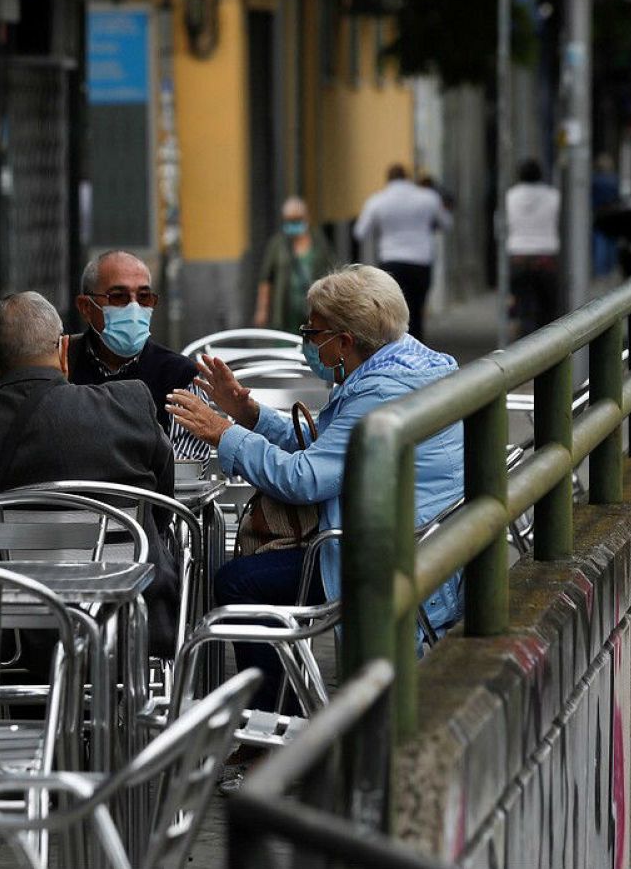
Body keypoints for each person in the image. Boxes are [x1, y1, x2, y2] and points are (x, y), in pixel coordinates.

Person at [165, 265, 464, 716]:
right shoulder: (409, 362)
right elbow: (330, 450)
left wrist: (222, 432)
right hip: (413, 541)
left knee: (238, 584)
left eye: (312, 330)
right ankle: (279, 711)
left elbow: (304, 479)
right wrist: (248, 413)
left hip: (388, 555)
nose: (306, 341)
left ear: (343, 341)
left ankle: (271, 726)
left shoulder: (379, 391)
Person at [0, 290, 180, 652]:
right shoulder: (129, 405)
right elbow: (162, 505)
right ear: (64, 351)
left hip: (9, 637)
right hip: (127, 625)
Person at [69, 249, 208, 459]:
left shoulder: (181, 376)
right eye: (118, 296)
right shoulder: (61, 364)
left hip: (149, 492)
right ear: (86, 307)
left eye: (143, 297)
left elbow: (184, 471)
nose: (134, 307)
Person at [353, 164, 453, 339]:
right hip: (421, 260)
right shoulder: (428, 198)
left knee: (393, 311)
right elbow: (446, 223)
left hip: (391, 260)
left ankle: (396, 345)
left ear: (388, 179)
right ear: (407, 178)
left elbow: (360, 232)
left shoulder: (377, 200)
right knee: (417, 308)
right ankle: (417, 344)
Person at [254, 196, 338, 334]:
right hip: (285, 312)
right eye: (289, 220)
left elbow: (333, 272)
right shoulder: (277, 244)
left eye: (297, 219)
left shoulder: (318, 242)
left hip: (313, 308)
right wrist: (262, 309)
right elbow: (266, 278)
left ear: (306, 218)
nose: (293, 224)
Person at [507, 158, 563, 336]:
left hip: (519, 255)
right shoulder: (553, 195)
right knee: (547, 311)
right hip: (545, 256)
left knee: (523, 307)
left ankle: (525, 345)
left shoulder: (511, 195)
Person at [591, 153, 622, 277]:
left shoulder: (595, 180)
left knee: (600, 243)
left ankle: (600, 271)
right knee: (612, 243)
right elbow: (618, 197)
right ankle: (611, 268)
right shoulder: (614, 179)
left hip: (599, 214)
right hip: (613, 215)